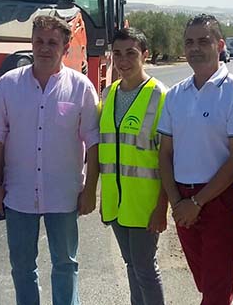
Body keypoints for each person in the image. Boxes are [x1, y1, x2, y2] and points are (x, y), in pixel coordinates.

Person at [0, 14, 100, 305]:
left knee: (65, 264)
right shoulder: (9, 84)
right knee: (22, 267)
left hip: (64, 195)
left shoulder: (81, 87)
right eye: (39, 41)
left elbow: (94, 142)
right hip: (19, 194)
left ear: (65, 47)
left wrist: (89, 191)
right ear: (31, 44)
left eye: (53, 42)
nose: (45, 48)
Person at [157, 14, 233, 305]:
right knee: (204, 279)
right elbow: (165, 153)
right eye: (189, 42)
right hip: (182, 197)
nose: (195, 48)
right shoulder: (174, 95)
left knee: (217, 285)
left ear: (220, 45)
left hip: (218, 199)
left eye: (203, 41)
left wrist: (197, 203)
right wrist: (177, 202)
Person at [96, 27, 167, 305]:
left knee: (146, 270)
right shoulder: (108, 94)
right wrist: (103, 197)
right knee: (132, 267)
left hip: (145, 206)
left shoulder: (159, 96)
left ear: (145, 55)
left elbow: (167, 159)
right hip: (116, 203)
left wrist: (162, 207)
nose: (123, 61)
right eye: (117, 54)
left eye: (131, 53)